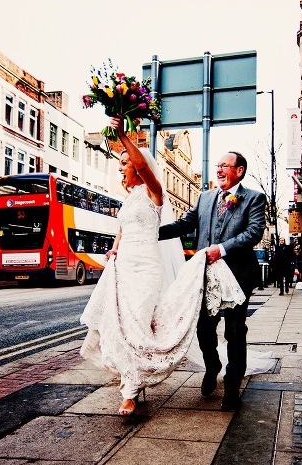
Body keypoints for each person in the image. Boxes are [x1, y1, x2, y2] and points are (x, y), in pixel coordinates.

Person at [80, 116, 245, 416]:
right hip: (124, 267)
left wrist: (122, 134)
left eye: (124, 162)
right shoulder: (128, 199)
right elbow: (123, 228)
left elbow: (143, 166)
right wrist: (115, 249)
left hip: (146, 269)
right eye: (120, 163)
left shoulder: (154, 190)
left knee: (140, 325)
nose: (121, 167)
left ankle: (131, 392)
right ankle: (131, 384)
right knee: (121, 326)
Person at [159, 150, 265, 410]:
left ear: (239, 170)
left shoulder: (254, 198)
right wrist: (151, 232)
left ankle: (231, 386)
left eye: (224, 166)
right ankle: (212, 366)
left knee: (235, 331)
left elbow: (254, 232)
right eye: (217, 166)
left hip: (237, 275)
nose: (218, 170)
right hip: (204, 275)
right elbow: (185, 224)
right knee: (204, 330)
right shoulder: (205, 197)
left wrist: (223, 249)